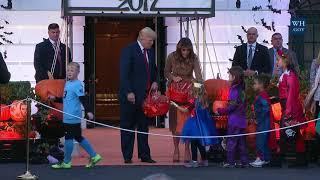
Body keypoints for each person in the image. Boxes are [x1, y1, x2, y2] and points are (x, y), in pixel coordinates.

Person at [50, 62, 102, 169]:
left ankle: (67, 162)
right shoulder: (68, 83)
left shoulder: (77, 84)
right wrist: (55, 98)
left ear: (78, 72)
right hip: (68, 115)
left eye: (72, 70)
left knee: (69, 137)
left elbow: (83, 99)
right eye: (68, 70)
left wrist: (88, 111)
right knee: (78, 137)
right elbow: (65, 98)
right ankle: (94, 156)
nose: (69, 72)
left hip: (72, 116)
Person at [119, 27, 158, 164]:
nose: (152, 43)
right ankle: (127, 156)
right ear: (142, 37)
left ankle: (145, 155)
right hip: (130, 97)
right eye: (150, 40)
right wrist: (128, 91)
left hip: (144, 98)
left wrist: (155, 81)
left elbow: (153, 70)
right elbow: (124, 73)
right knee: (128, 126)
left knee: (143, 127)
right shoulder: (129, 50)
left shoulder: (151, 52)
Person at [164, 37, 203, 163]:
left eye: (187, 50)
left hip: (189, 91)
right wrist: (172, 77)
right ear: (179, 48)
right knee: (174, 122)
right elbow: (166, 72)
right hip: (174, 90)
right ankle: (176, 149)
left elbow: (199, 76)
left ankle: (187, 148)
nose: (185, 52)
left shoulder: (194, 57)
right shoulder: (172, 56)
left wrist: (198, 91)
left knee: (188, 122)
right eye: (183, 50)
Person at [175, 83, 218, 168]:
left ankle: (194, 162)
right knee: (200, 143)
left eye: (191, 90)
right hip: (202, 126)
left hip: (194, 125)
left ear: (195, 91)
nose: (190, 91)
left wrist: (176, 105)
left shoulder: (194, 101)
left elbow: (185, 110)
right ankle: (205, 160)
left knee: (193, 143)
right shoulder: (204, 100)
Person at [277, 52, 307, 167]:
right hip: (287, 106)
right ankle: (296, 158)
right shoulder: (286, 74)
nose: (277, 62)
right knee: (290, 132)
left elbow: (291, 95)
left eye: (279, 60)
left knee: (293, 132)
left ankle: (296, 158)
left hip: (291, 108)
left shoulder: (290, 76)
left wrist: (288, 112)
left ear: (285, 62)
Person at [216, 66, 248, 168]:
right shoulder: (242, 89)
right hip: (242, 120)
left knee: (231, 142)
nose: (228, 76)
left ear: (234, 77)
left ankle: (230, 162)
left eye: (229, 74)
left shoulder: (234, 90)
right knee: (242, 142)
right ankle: (244, 162)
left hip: (234, 121)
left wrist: (220, 111)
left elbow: (232, 107)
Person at [250, 74, 277, 167]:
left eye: (255, 84)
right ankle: (264, 158)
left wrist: (258, 118)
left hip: (264, 122)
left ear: (261, 85)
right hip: (264, 121)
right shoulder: (263, 95)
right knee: (263, 140)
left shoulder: (262, 95)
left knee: (261, 140)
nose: (253, 85)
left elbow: (265, 109)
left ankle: (261, 158)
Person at [309, 50, 320, 166]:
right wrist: (312, 100)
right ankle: (316, 154)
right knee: (318, 128)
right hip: (318, 98)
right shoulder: (315, 63)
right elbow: (312, 82)